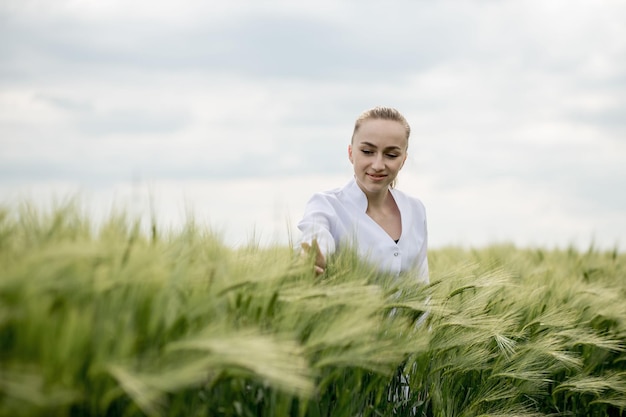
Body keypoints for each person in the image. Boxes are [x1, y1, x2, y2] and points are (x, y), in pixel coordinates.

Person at [297, 106, 428, 283]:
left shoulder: (415, 209)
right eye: (367, 152)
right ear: (351, 153)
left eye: (391, 155)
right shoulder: (326, 205)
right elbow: (316, 235)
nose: (378, 165)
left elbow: (422, 284)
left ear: (403, 160)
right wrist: (312, 257)